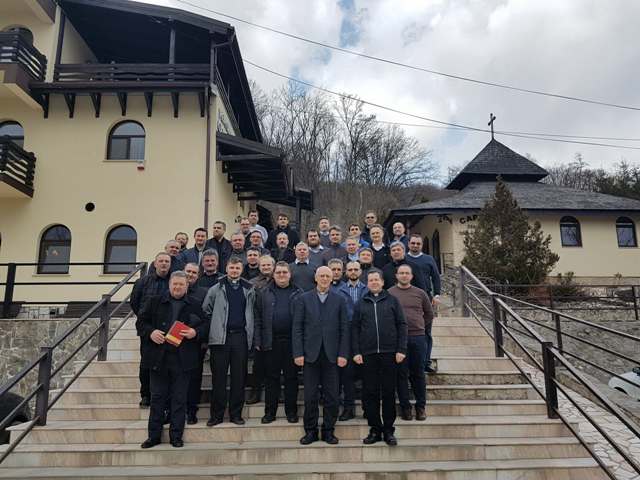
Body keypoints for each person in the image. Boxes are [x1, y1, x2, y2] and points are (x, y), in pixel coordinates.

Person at [137, 271, 208, 449]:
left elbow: (206, 325)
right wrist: (151, 332)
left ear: (187, 286)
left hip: (183, 360)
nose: (177, 287)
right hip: (158, 358)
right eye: (175, 284)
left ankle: (176, 436)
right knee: (157, 398)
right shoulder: (154, 301)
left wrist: (195, 332)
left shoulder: (194, 304)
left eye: (181, 284)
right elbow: (141, 323)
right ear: (169, 284)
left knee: (179, 399)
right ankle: (153, 436)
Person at [293, 266, 349, 445]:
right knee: (310, 396)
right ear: (316, 278)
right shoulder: (303, 299)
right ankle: (310, 431)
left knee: (332, 396)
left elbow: (344, 329)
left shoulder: (339, 299)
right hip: (310, 355)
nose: (324, 279)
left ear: (332, 279)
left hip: (332, 356)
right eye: (321, 276)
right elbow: (297, 327)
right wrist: (298, 352)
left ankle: (328, 431)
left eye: (327, 276)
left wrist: (343, 353)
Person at [352, 269, 407, 446]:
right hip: (368, 355)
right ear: (367, 283)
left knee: (389, 392)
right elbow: (355, 329)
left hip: (390, 354)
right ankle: (375, 429)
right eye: (371, 280)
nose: (374, 282)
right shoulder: (361, 303)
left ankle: (389, 430)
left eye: (377, 279)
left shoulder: (392, 301)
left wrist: (401, 349)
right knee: (370, 393)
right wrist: (356, 351)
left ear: (382, 282)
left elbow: (402, 325)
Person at [202, 256, 256, 426]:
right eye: (231, 268)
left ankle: (236, 414)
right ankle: (216, 415)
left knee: (239, 379)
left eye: (237, 268)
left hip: (240, 338)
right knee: (218, 378)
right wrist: (216, 327)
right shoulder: (216, 288)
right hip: (220, 339)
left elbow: (252, 311)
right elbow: (206, 310)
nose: (234, 271)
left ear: (241, 270)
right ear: (226, 269)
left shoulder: (249, 289)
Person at [254, 262, 303, 424]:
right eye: (278, 272)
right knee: (271, 378)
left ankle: (291, 412)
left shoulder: (299, 293)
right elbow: (258, 318)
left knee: (291, 379)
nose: (281, 275)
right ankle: (270, 412)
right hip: (271, 342)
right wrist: (258, 340)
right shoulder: (264, 293)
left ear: (290, 274)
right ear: (273, 275)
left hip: (292, 343)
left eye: (284, 272)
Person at [389, 264, 433, 422]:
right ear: (396, 275)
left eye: (407, 273)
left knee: (418, 373)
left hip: (418, 338)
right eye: (401, 273)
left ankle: (421, 407)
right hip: (398, 340)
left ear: (411, 276)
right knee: (401, 375)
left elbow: (429, 314)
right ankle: (405, 407)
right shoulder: (390, 293)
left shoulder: (420, 293)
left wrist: (419, 325)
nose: (404, 275)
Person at [130, 252, 171, 408]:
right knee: (146, 363)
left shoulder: (173, 281)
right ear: (155, 263)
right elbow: (135, 303)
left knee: (167, 363)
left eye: (167, 261)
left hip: (168, 328)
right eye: (161, 261)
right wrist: (146, 323)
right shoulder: (142, 282)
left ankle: (165, 395)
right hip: (148, 329)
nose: (164, 264)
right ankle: (146, 395)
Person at [336, 261, 367, 421]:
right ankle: (348, 408)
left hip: (365, 335)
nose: (353, 272)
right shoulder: (339, 291)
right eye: (350, 269)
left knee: (368, 375)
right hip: (346, 335)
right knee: (347, 375)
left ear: (360, 272)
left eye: (356, 269)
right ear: (346, 272)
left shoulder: (367, 289)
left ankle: (368, 408)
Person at [246, 255, 275, 405]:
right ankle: (255, 391)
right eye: (263, 265)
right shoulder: (252, 283)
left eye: (268, 265)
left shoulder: (278, 281)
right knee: (258, 365)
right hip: (258, 326)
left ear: (273, 266)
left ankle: (275, 392)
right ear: (259, 266)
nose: (266, 267)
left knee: (275, 365)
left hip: (274, 328)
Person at [184, 263, 209, 424]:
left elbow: (207, 319)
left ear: (198, 275)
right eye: (188, 271)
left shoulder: (203, 293)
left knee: (194, 379)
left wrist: (199, 335)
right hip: (173, 345)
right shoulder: (172, 290)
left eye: (194, 272)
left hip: (194, 344)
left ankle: (191, 411)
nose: (190, 274)